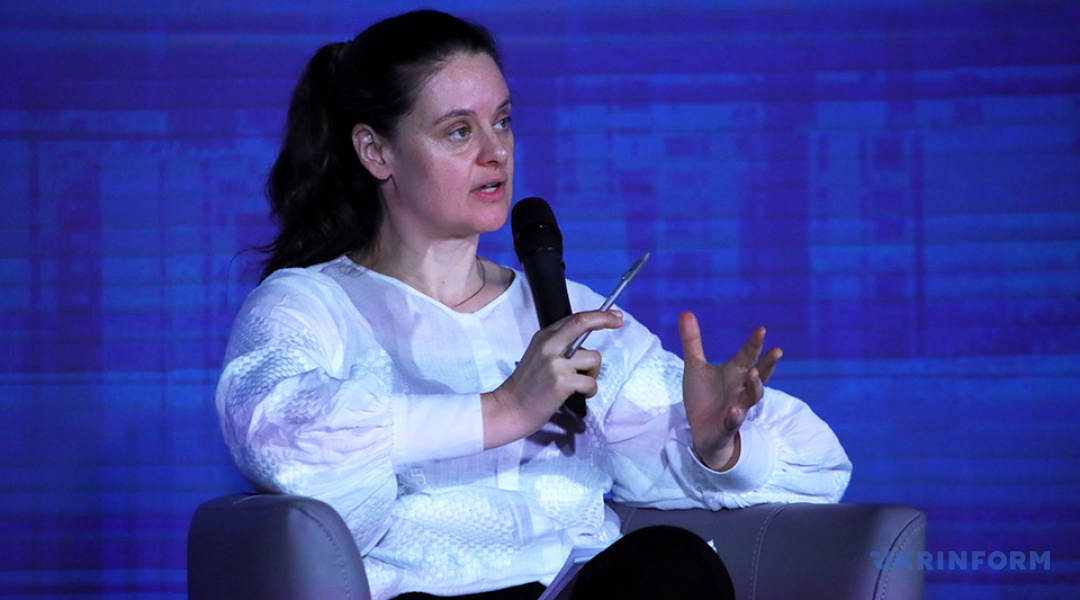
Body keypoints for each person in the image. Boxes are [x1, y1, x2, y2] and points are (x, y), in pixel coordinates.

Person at [216, 9, 852, 600]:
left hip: (573, 589)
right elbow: (283, 442)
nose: (495, 151)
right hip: (425, 595)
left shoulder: (570, 315)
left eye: (502, 120)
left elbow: (822, 470)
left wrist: (715, 446)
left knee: (669, 561)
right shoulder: (310, 306)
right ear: (375, 151)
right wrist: (505, 408)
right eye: (458, 131)